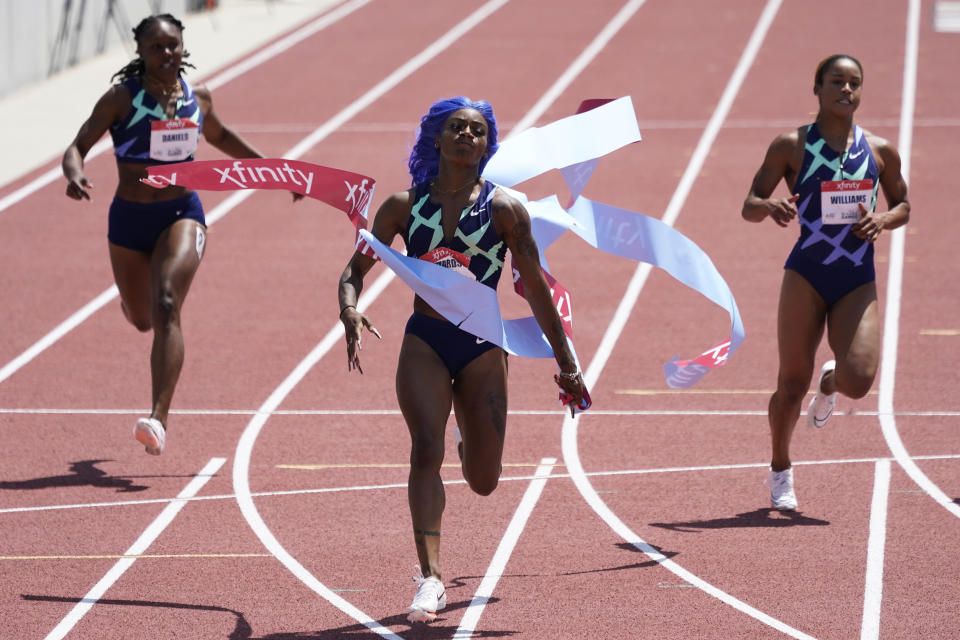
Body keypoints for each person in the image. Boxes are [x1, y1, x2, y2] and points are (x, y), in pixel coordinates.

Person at [338, 97, 586, 621]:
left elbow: (535, 287)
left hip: (481, 345)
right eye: (457, 128)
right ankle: (430, 577)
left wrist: (565, 359)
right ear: (437, 138)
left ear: (486, 146)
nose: (467, 136)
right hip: (425, 338)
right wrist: (350, 308)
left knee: (484, 479)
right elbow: (354, 270)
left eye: (477, 130)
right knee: (424, 448)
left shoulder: (503, 209)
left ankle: (466, 435)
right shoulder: (403, 206)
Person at [62, 14, 292, 455]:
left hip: (182, 213)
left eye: (173, 45)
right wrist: (75, 173)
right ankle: (134, 302)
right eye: (156, 48)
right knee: (143, 318)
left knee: (167, 304)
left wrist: (276, 172)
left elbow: (222, 137)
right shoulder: (121, 99)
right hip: (128, 220)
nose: (167, 54)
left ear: (183, 46)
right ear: (141, 53)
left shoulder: (197, 98)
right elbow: (78, 145)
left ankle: (157, 418)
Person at [742, 54, 910, 510]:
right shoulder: (791, 145)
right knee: (790, 384)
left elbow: (904, 205)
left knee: (858, 381)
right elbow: (750, 203)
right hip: (807, 273)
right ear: (817, 88)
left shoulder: (879, 151)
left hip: (856, 275)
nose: (846, 90)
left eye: (855, 83)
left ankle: (832, 382)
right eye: (837, 81)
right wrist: (770, 206)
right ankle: (780, 470)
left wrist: (883, 220)